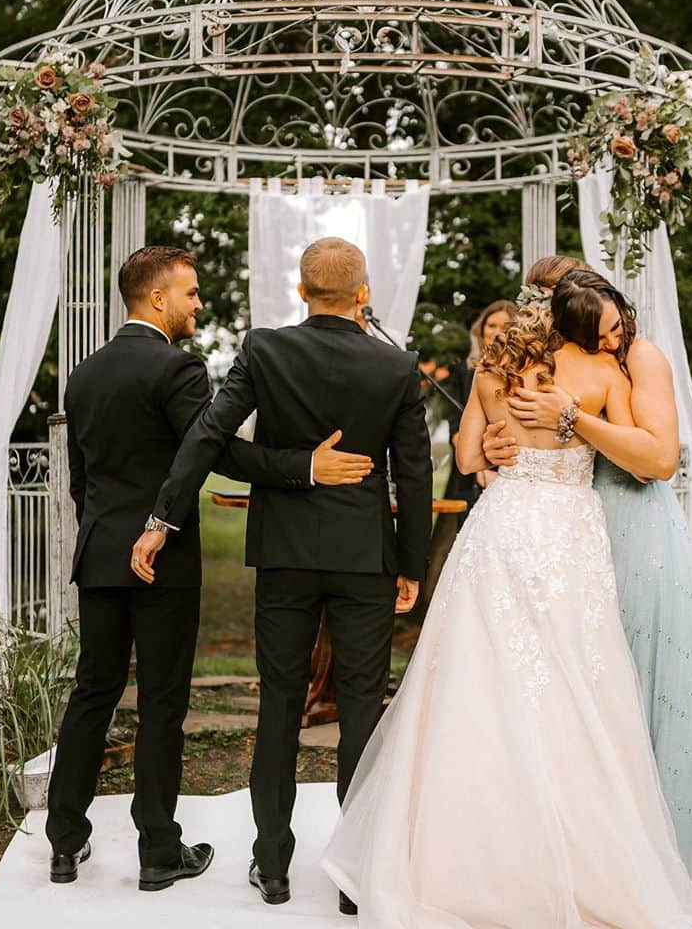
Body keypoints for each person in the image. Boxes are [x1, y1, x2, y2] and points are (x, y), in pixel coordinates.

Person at [322, 275, 692, 928]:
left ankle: (450, 856)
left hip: (500, 528)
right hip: (569, 536)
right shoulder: (606, 377)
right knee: (578, 685)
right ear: (580, 328)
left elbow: (471, 455)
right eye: (608, 330)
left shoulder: (492, 372)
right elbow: (647, 460)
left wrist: (498, 445)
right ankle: (583, 854)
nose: (616, 339)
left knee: (473, 680)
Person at [45, 246, 374, 891]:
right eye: (191, 294)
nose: (199, 305)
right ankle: (157, 855)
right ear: (158, 298)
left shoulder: (83, 374)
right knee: (163, 703)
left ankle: (64, 841)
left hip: (102, 553)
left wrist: (111, 534)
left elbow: (82, 481)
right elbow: (217, 452)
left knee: (93, 692)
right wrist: (305, 466)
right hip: (162, 560)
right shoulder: (177, 369)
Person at [131, 237, 433, 914]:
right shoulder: (394, 366)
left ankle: (271, 865)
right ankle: (356, 876)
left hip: (286, 554)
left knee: (278, 704)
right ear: (362, 294)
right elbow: (414, 471)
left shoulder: (265, 350)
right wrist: (411, 564)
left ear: (302, 292)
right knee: (361, 708)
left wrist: (162, 516)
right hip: (364, 558)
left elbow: (208, 434)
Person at [482, 257, 692, 888]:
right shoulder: (546, 365)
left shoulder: (641, 358)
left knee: (631, 681)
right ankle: (569, 846)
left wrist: (572, 419)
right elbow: (497, 442)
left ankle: (651, 854)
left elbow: (659, 458)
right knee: (567, 690)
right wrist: (499, 451)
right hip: (566, 530)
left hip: (633, 529)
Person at [444, 300, 518, 512]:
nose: (496, 332)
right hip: (470, 470)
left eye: (504, 326)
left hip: (508, 467)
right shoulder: (464, 370)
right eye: (491, 325)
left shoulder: (521, 373)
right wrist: (477, 462)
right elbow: (454, 423)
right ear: (482, 329)